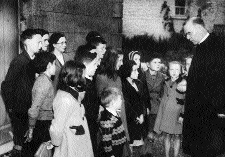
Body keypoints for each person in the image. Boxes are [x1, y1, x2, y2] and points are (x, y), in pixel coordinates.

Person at [182, 17, 225, 157]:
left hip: (210, 112)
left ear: (199, 28)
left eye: (189, 33)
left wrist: (221, 108)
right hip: (197, 111)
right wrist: (188, 83)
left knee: (208, 150)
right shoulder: (200, 46)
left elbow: (220, 80)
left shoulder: (217, 46)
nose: (188, 37)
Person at [1, 28, 42, 156]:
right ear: (27, 42)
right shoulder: (19, 61)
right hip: (21, 113)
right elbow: (6, 86)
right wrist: (12, 109)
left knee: (31, 147)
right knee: (23, 147)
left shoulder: (34, 60)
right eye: (38, 42)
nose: (41, 45)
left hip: (31, 112)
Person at [49, 60, 94, 157]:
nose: (85, 78)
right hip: (69, 147)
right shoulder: (64, 99)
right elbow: (57, 128)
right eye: (83, 75)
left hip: (77, 144)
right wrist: (55, 142)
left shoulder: (72, 94)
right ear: (75, 76)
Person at [24, 52, 56, 155]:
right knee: (42, 152)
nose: (55, 67)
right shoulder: (43, 82)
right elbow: (34, 108)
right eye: (54, 64)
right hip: (42, 124)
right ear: (49, 65)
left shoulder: (44, 79)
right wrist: (31, 128)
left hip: (44, 122)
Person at [95, 48, 130, 142]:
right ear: (112, 61)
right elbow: (101, 100)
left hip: (121, 113)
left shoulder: (117, 76)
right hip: (110, 119)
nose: (122, 64)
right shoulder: (101, 78)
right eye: (120, 60)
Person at [154, 61, 185, 157]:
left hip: (177, 114)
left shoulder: (183, 83)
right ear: (168, 71)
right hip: (167, 113)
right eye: (172, 69)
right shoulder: (165, 82)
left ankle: (175, 155)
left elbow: (186, 100)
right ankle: (167, 155)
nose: (174, 72)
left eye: (177, 69)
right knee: (166, 135)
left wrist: (182, 114)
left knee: (177, 136)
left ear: (180, 71)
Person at [121, 60, 150, 157]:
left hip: (140, 117)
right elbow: (127, 104)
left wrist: (142, 114)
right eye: (134, 70)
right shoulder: (123, 86)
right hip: (131, 119)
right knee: (131, 144)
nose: (137, 72)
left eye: (137, 70)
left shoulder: (138, 83)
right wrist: (136, 116)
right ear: (127, 71)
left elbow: (142, 100)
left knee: (140, 143)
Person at [78, 52, 100, 156]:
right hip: (87, 125)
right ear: (85, 65)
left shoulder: (90, 81)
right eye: (94, 64)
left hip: (92, 124)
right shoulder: (82, 84)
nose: (97, 66)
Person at [98, 87, 127, 157]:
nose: (122, 101)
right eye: (120, 99)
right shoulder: (107, 119)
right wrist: (110, 154)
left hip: (118, 148)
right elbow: (106, 140)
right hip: (113, 151)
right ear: (113, 102)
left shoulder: (114, 113)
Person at [145, 53, 165, 141]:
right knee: (147, 127)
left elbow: (163, 91)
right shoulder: (142, 75)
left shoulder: (162, 76)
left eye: (159, 62)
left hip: (157, 104)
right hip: (147, 104)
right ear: (148, 64)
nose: (158, 64)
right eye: (155, 62)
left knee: (155, 127)